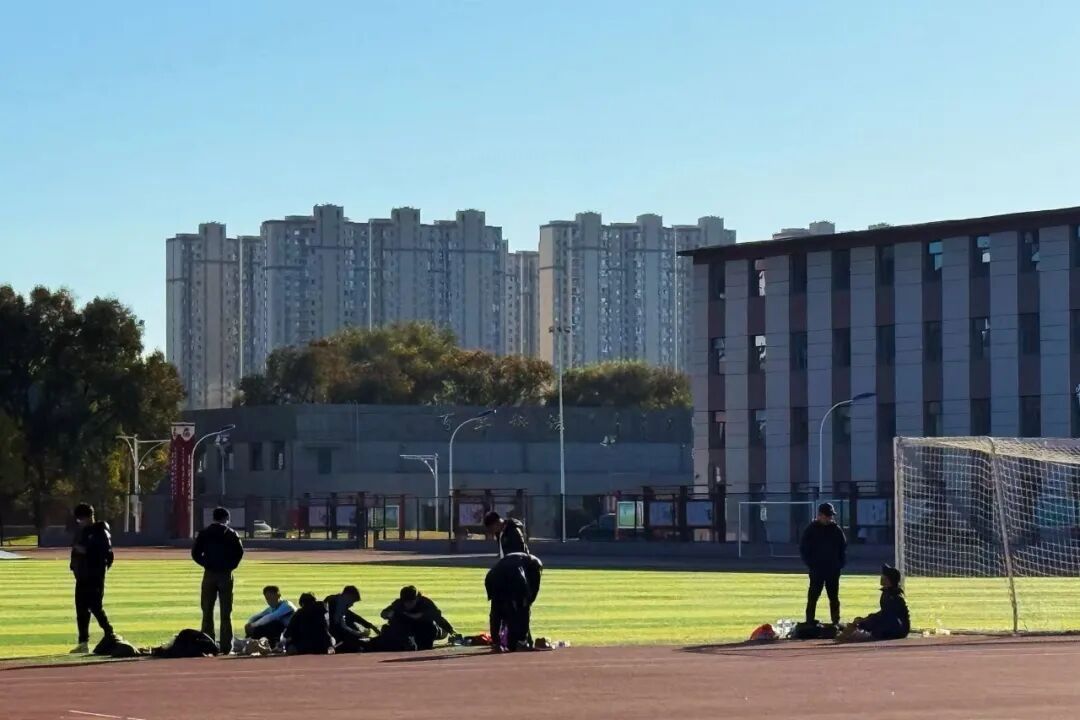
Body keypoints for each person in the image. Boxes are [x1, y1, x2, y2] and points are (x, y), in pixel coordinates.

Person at [191, 507, 245, 654]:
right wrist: (230, 566)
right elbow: (239, 552)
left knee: (207, 610)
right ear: (226, 518)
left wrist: (206, 563)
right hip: (225, 574)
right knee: (226, 611)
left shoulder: (204, 533)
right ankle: (226, 646)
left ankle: (208, 644)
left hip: (209, 573)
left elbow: (195, 553)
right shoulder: (231, 533)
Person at [69, 503, 115, 653]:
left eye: (80, 519)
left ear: (88, 517)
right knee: (81, 609)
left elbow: (106, 553)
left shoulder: (100, 530)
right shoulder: (82, 532)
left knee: (95, 606)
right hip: (82, 576)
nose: (79, 522)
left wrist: (85, 551)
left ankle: (110, 632)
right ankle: (83, 643)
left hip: (94, 576)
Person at [799, 502, 847, 627]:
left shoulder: (836, 530)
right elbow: (804, 549)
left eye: (831, 516)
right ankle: (809, 621)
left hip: (833, 569)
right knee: (813, 597)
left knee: (834, 597)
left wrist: (839, 564)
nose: (830, 518)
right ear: (820, 515)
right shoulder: (811, 530)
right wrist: (811, 564)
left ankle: (835, 622)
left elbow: (843, 548)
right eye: (827, 516)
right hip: (817, 569)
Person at [485, 551, 543, 652]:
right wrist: (527, 602)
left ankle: (497, 643)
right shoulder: (534, 565)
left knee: (496, 611)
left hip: (491, 577)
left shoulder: (520, 559)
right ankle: (520, 641)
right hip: (514, 576)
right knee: (522, 610)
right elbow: (534, 588)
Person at [839, 565, 911, 642]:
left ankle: (859, 633)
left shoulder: (894, 596)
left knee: (875, 622)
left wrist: (865, 621)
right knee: (869, 620)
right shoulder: (886, 592)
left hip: (899, 628)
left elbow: (887, 615)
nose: (881, 577)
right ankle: (856, 631)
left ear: (889, 579)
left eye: (884, 575)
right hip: (893, 623)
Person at [379, 585, 456, 651]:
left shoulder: (426, 603)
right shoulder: (398, 604)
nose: (408, 604)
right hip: (408, 629)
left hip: (426, 628)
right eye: (406, 602)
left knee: (429, 630)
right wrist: (388, 614)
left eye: (411, 601)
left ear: (417, 598)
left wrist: (451, 632)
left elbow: (438, 619)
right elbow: (384, 613)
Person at [325, 585, 379, 652]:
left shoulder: (336, 600)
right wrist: (359, 634)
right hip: (333, 634)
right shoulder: (339, 604)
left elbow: (352, 616)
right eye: (352, 601)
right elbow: (342, 626)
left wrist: (369, 625)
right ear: (348, 596)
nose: (352, 604)